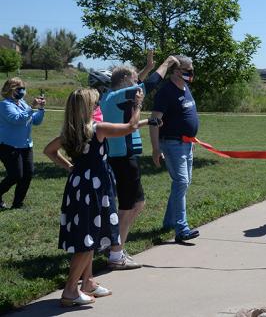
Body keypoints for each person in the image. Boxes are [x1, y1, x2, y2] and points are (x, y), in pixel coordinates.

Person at [43, 88, 158, 306]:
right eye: (96, 105)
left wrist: (70, 167)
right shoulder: (97, 129)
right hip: (94, 189)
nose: (98, 108)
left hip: (78, 187)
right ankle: (70, 291)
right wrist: (137, 104)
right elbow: (130, 127)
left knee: (89, 235)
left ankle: (87, 282)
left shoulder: (70, 132)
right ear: (88, 108)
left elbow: (49, 150)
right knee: (88, 240)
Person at [100, 51, 177, 269]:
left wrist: (148, 65)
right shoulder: (121, 96)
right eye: (134, 81)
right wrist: (167, 63)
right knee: (131, 205)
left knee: (134, 204)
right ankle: (116, 254)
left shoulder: (111, 97)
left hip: (121, 158)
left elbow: (141, 81)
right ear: (125, 83)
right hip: (123, 159)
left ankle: (115, 246)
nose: (137, 85)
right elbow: (150, 84)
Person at [149, 55, 200, 243]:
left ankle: (169, 221)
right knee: (181, 182)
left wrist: (192, 139)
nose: (191, 72)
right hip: (172, 144)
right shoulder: (166, 92)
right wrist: (155, 148)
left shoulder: (185, 87)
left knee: (183, 183)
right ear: (177, 71)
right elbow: (154, 120)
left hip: (187, 143)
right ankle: (181, 228)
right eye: (188, 70)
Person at [0, 78, 46, 209]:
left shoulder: (23, 104)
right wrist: (31, 107)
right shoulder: (4, 105)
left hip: (26, 146)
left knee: (28, 174)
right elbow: (17, 119)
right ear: (10, 90)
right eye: (19, 88)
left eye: (23, 88)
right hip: (8, 146)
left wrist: (41, 109)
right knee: (15, 175)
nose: (22, 91)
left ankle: (18, 204)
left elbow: (35, 121)